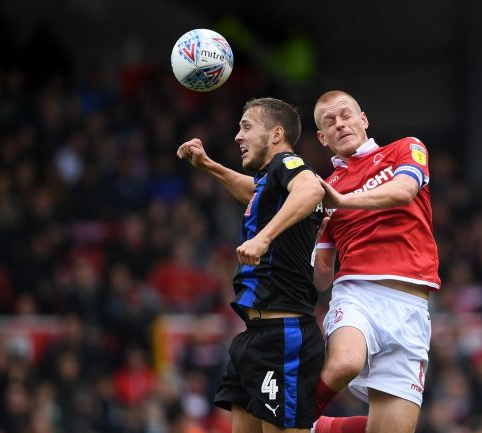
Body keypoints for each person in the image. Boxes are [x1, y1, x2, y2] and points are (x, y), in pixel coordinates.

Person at [176, 97, 326, 433]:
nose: (238, 136)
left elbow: (312, 189)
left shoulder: (289, 163)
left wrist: (264, 237)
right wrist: (208, 165)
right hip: (255, 336)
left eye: (247, 127)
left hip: (284, 335)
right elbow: (253, 192)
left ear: (276, 134)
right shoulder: (270, 184)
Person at [310, 91, 441, 433]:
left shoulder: (405, 148)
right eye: (330, 122)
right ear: (323, 138)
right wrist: (313, 238)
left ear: (363, 119)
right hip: (358, 295)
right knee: (345, 363)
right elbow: (321, 279)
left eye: (346, 115)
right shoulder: (326, 190)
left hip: (411, 309)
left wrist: (343, 202)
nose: (340, 124)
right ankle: (290, 419)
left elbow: (404, 191)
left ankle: (315, 428)